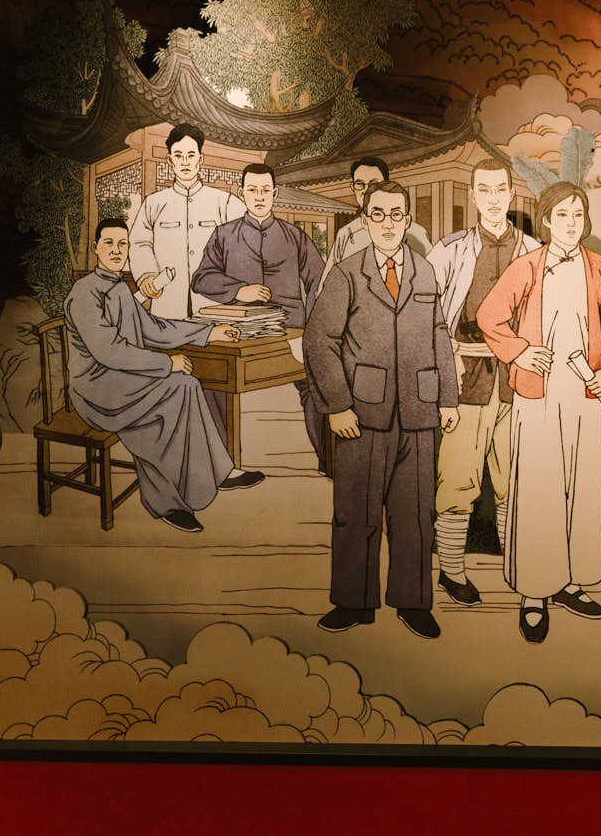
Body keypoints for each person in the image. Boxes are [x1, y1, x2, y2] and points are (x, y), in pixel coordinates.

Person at [477, 183, 601, 643]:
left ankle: (570, 581)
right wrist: (519, 351)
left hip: (585, 393)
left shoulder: (598, 266)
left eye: (577, 215)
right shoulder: (527, 266)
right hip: (537, 395)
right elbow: (490, 315)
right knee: (539, 490)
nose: (571, 223)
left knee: (581, 488)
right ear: (546, 220)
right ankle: (534, 592)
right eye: (562, 215)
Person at [305, 181, 460, 637]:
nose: (388, 224)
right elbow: (319, 340)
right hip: (362, 414)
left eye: (396, 215)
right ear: (365, 219)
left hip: (419, 410)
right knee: (356, 512)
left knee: (415, 514)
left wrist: (447, 397)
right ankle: (353, 603)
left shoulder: (425, 271)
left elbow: (439, 334)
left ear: (408, 220)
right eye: (378, 214)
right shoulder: (346, 274)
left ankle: (413, 602)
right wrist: (337, 405)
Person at [65, 219, 263, 534]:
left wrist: (208, 333)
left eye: (123, 244)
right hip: (97, 389)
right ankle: (168, 503)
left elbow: (154, 329)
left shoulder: (119, 287)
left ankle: (214, 474)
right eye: (109, 243)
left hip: (126, 381)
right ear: (95, 248)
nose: (116, 250)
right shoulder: (84, 293)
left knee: (187, 384)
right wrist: (166, 364)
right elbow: (108, 352)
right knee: (167, 403)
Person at [425, 159, 541, 605]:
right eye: (484, 191)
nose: (493, 199)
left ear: (511, 195)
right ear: (473, 195)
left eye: (500, 191)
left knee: (515, 478)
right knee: (457, 479)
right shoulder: (449, 251)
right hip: (464, 377)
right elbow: (428, 316)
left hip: (518, 379)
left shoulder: (534, 250)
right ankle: (452, 572)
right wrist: (446, 363)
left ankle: (518, 567)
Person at [190, 163, 326, 468]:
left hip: (290, 330)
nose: (259, 197)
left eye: (265, 190)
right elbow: (201, 278)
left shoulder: (295, 236)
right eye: (252, 190)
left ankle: (329, 460)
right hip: (241, 331)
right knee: (211, 379)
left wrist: (313, 327)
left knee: (320, 380)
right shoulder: (224, 234)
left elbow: (319, 282)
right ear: (242, 193)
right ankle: (225, 466)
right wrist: (239, 290)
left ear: (275, 193)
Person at [128, 123, 243, 318]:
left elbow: (244, 246)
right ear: (170, 160)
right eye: (178, 156)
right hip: (167, 302)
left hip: (214, 304)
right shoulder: (153, 203)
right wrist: (147, 275)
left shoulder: (225, 202)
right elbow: (139, 243)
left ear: (200, 159)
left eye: (191, 155)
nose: (185, 162)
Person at [316, 156, 390, 295]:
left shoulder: (410, 231)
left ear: (387, 185)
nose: (366, 190)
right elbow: (326, 285)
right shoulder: (346, 233)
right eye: (360, 184)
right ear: (353, 187)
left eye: (374, 184)